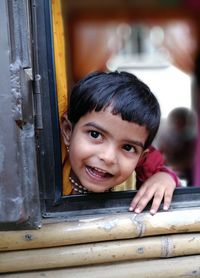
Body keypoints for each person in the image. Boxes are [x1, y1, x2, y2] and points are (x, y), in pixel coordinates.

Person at [61, 71, 179, 214]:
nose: (108, 157)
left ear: (141, 158)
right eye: (95, 134)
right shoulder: (48, 172)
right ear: (68, 131)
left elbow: (159, 169)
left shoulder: (141, 167)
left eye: (128, 147)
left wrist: (164, 177)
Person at [157, 107, 197, 186]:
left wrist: (175, 168)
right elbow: (161, 155)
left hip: (184, 175)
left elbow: (190, 160)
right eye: (175, 120)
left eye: (181, 121)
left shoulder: (190, 140)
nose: (178, 123)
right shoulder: (166, 138)